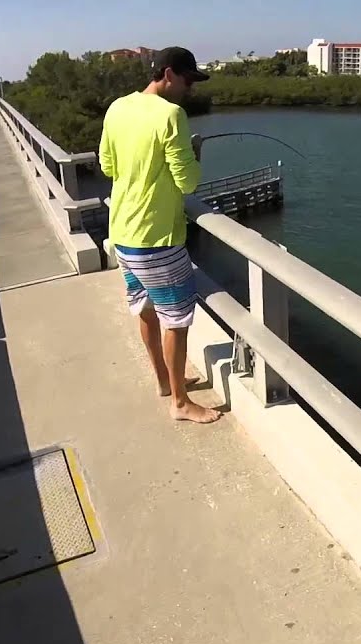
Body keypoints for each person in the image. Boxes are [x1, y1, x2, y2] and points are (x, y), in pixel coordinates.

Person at [99, 47, 221, 424]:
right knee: (176, 319)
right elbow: (187, 181)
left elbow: (107, 165)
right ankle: (181, 403)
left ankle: (164, 382)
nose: (189, 89)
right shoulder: (172, 115)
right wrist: (193, 155)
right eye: (187, 80)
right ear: (169, 74)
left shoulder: (117, 108)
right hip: (157, 240)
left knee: (145, 309)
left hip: (122, 232)